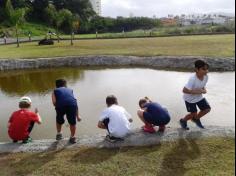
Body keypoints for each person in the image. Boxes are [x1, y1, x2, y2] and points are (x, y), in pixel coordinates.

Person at [180, 60, 211, 130]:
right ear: (196, 69)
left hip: (199, 97)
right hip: (189, 99)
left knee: (207, 109)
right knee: (193, 114)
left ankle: (196, 119)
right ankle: (183, 120)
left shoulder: (206, 77)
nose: (206, 71)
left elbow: (202, 85)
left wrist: (204, 90)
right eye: (203, 69)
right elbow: (184, 90)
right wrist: (197, 91)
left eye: (207, 69)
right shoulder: (192, 79)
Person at [52, 79, 81, 144]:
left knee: (59, 120)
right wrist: (78, 116)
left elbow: (54, 102)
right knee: (72, 122)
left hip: (60, 105)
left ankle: (59, 134)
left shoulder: (55, 91)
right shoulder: (70, 90)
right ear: (65, 85)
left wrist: (58, 107)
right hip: (72, 105)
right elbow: (74, 101)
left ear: (56, 85)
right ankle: (72, 137)